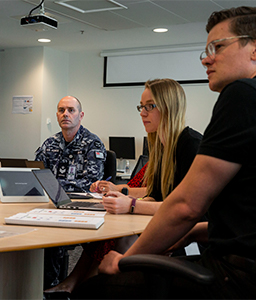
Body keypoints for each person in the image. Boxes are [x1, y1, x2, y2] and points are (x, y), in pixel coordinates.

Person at [71, 6, 256, 299]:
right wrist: (195, 231)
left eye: (218, 47)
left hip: (236, 276)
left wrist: (126, 260)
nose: (207, 59)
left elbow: (186, 206)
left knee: (92, 291)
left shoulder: (242, 94)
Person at [44, 78, 203, 297]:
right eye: (141, 107)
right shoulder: (161, 147)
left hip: (190, 239)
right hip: (169, 228)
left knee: (113, 245)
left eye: (150, 106)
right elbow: (155, 195)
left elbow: (181, 208)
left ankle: (84, 285)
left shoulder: (190, 144)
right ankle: (81, 284)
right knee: (112, 237)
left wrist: (130, 205)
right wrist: (123, 194)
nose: (142, 113)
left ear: (168, 106)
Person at [35, 96, 106, 289]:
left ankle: (52, 286)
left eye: (71, 110)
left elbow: (90, 184)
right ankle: (35, 284)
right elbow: (37, 174)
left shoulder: (93, 144)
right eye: (61, 110)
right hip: (51, 204)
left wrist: (53, 186)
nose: (65, 114)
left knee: (53, 236)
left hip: (80, 206)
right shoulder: (49, 144)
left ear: (80, 115)